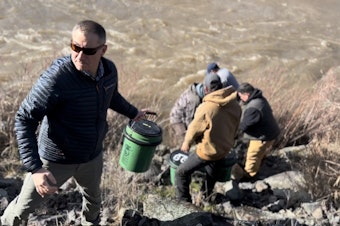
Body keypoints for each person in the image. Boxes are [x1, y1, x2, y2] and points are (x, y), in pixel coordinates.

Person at [0, 20, 148, 226]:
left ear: (103, 50)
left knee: (94, 202)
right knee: (22, 209)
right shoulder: (57, 79)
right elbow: (24, 118)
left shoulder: (109, 71)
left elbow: (111, 95)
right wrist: (35, 169)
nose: (79, 55)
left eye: (87, 51)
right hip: (54, 161)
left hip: (91, 157)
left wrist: (133, 113)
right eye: (75, 47)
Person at [175, 73, 241, 203]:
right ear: (222, 86)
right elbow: (235, 128)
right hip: (224, 149)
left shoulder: (206, 108)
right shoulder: (235, 105)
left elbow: (193, 129)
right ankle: (206, 195)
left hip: (207, 152)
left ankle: (184, 203)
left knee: (180, 173)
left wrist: (186, 144)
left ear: (205, 89)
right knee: (211, 172)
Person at [237, 82, 280, 181]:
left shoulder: (253, 107)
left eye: (241, 97)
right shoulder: (259, 98)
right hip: (270, 132)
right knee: (260, 153)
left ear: (246, 94)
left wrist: (233, 133)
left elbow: (244, 125)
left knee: (252, 157)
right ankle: (260, 161)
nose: (240, 99)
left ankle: (251, 177)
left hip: (262, 137)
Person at [169, 82, 204, 148]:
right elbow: (189, 120)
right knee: (184, 142)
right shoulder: (194, 100)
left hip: (176, 112)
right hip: (177, 119)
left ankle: (173, 147)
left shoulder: (195, 88)